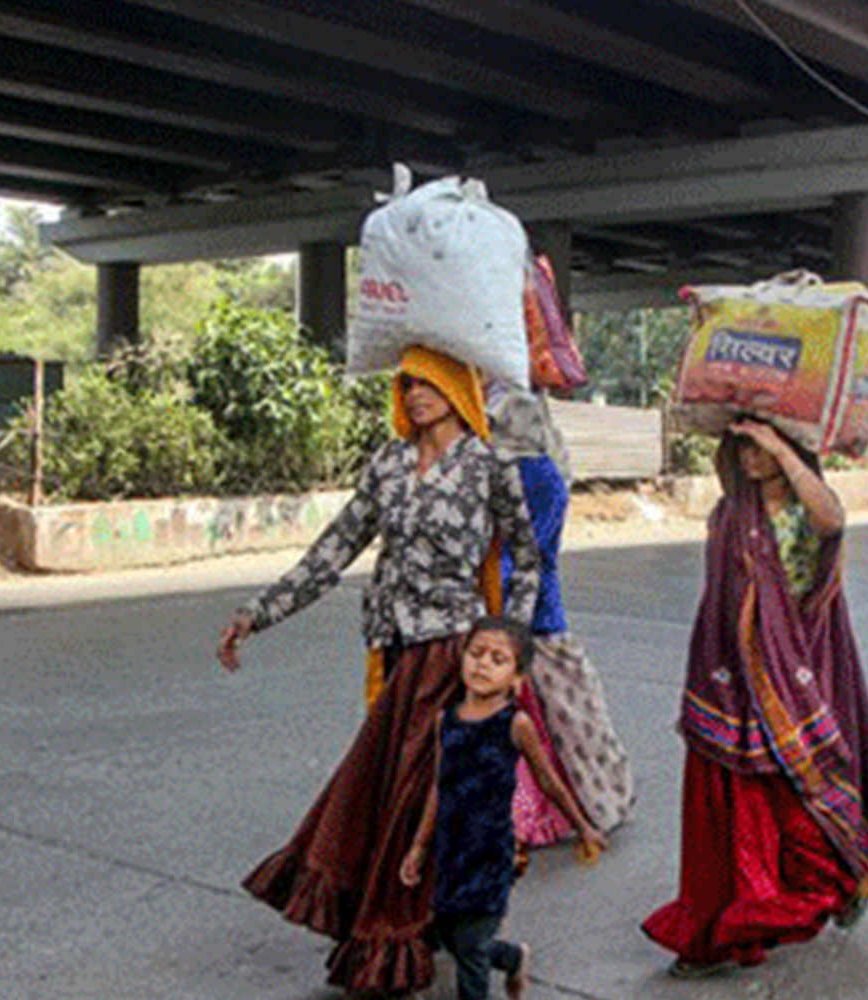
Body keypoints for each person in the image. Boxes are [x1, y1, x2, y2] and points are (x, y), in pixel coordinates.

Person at [215, 345, 539, 995]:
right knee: (380, 793)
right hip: (394, 653)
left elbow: (528, 560)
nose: (415, 394)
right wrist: (259, 612)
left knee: (409, 802)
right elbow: (332, 550)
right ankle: (477, 945)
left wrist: (509, 651)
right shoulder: (389, 463)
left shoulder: (490, 465)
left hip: (453, 653)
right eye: (407, 383)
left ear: (457, 385)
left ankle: (396, 940)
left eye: (429, 382)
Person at [642, 418, 868, 977]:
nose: (748, 457)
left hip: (794, 676)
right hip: (730, 680)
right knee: (733, 807)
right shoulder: (730, 514)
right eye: (741, 446)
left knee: (798, 801)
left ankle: (836, 882)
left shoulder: (804, 511)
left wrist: (781, 447)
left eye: (757, 446)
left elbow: (833, 521)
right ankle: (720, 926)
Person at [400, 616, 607, 1000]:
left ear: (517, 677)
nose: (482, 664)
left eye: (498, 659)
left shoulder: (516, 724)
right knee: (450, 933)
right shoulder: (446, 720)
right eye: (476, 654)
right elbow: (437, 784)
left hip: (491, 850)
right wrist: (419, 845)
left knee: (472, 949)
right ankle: (512, 958)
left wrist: (583, 825)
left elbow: (549, 782)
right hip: (450, 849)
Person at [488, 385, 636, 846]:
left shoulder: (530, 473)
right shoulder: (544, 470)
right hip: (529, 614)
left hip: (523, 616)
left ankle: (565, 809)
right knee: (570, 720)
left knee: (555, 720)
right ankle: (590, 803)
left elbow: (525, 553)